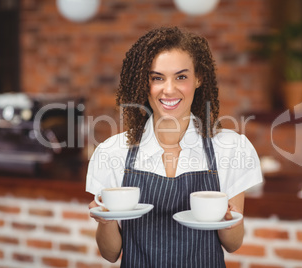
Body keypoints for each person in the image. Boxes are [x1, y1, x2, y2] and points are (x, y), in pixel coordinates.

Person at [86, 26, 263, 267]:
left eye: (181, 77)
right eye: (157, 78)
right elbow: (110, 254)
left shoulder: (231, 149)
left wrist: (228, 218)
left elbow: (233, 244)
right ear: (143, 83)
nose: (169, 89)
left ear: (198, 78)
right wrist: (104, 221)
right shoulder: (111, 152)